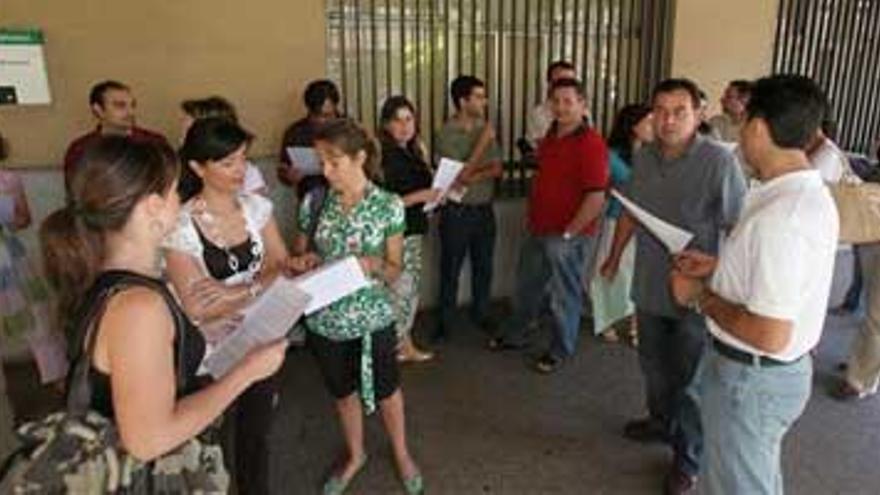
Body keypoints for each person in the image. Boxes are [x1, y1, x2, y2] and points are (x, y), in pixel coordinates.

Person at [39, 136, 287, 463]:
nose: (181, 200)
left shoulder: (110, 281)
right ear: (154, 206)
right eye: (175, 191)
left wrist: (196, 336)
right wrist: (247, 371)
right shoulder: (139, 306)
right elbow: (149, 441)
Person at [671, 74, 838, 495]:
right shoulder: (798, 194)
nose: (740, 136)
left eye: (744, 123)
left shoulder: (782, 218)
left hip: (750, 379)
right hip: (765, 377)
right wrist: (718, 266)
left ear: (759, 128)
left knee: (739, 486)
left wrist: (699, 296)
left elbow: (770, 332)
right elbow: (778, 279)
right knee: (749, 477)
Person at [600, 78, 747, 494]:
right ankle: (660, 421)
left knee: (690, 382)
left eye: (679, 111)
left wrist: (719, 273)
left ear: (699, 113)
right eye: (660, 111)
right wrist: (613, 258)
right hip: (648, 283)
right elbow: (630, 211)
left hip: (695, 294)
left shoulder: (719, 163)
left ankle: (688, 459)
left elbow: (738, 228)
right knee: (653, 368)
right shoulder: (645, 157)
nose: (667, 120)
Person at [292, 119, 422, 495]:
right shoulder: (314, 200)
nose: (326, 171)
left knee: (387, 390)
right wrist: (304, 261)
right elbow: (300, 251)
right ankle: (356, 454)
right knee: (343, 392)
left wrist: (374, 264)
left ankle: (401, 452)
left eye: (334, 162)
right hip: (325, 319)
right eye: (322, 162)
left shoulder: (388, 205)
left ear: (360, 157)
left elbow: (396, 269)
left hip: (373, 319)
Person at [163, 118, 290, 495]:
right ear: (198, 167)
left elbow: (282, 267)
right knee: (207, 437)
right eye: (228, 163)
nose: (241, 171)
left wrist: (234, 292)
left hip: (260, 337)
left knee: (255, 434)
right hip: (208, 351)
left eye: (244, 160)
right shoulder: (180, 225)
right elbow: (197, 308)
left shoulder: (257, 208)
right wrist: (261, 284)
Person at [488, 78, 609, 373]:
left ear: (583, 105)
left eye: (569, 101)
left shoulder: (592, 143)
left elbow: (596, 197)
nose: (561, 107)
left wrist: (569, 233)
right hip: (539, 228)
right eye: (556, 101)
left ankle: (560, 349)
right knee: (527, 287)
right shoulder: (550, 137)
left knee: (564, 295)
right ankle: (516, 335)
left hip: (569, 235)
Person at [434, 75, 504, 341]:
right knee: (450, 268)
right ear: (462, 101)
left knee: (484, 265)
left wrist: (469, 175)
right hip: (457, 211)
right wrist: (483, 144)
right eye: (478, 96)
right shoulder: (447, 132)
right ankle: (444, 322)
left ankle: (482, 312)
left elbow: (496, 169)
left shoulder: (485, 127)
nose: (484, 101)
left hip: (484, 209)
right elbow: (456, 175)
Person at [0, 132, 67, 386]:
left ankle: (58, 379)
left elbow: (23, 219)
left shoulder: (9, 179)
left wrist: (6, 221)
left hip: (10, 255)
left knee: (38, 317)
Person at [378, 96, 441, 363]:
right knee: (400, 291)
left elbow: (425, 187)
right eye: (397, 120)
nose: (404, 126)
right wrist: (422, 196)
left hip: (414, 228)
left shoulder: (413, 151)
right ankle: (395, 347)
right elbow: (387, 203)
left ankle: (403, 343)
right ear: (385, 125)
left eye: (409, 119)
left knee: (407, 289)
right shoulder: (384, 157)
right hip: (397, 234)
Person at [591, 104, 653, 344]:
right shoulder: (611, 154)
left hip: (647, 224)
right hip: (617, 219)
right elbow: (610, 186)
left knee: (641, 276)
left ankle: (637, 326)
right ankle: (606, 319)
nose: (654, 126)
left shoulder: (655, 153)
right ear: (633, 126)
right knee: (610, 270)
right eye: (648, 121)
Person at [63, 80, 169, 194]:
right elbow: (76, 192)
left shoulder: (154, 142)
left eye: (133, 105)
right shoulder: (81, 149)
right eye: (120, 106)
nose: (130, 112)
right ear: (98, 110)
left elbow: (167, 183)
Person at [179, 96, 268, 195]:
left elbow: (258, 205)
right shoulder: (176, 167)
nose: (181, 139)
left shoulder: (247, 174)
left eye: (188, 131)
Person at [277, 79, 341, 198]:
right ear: (309, 110)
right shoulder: (295, 132)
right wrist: (289, 175)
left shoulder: (348, 129)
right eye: (317, 115)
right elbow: (282, 169)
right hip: (310, 198)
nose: (323, 121)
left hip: (344, 196)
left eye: (328, 115)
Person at [524, 60, 578, 150]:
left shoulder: (584, 112)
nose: (566, 86)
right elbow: (548, 148)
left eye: (571, 82)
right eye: (561, 82)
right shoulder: (539, 114)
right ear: (550, 84)